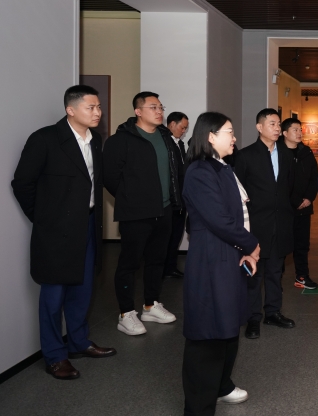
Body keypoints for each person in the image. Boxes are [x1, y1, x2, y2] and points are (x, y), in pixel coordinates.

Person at [11, 85, 116, 380]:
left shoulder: (95, 141)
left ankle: (79, 342)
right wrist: (44, 219)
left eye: (98, 107)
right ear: (70, 110)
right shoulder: (45, 139)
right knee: (53, 295)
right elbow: (22, 183)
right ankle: (55, 356)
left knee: (83, 288)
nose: (98, 112)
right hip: (56, 230)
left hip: (88, 224)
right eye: (90, 107)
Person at [181, 112, 260, 415]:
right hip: (212, 260)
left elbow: (237, 215)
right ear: (211, 136)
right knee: (208, 333)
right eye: (229, 132)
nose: (235, 138)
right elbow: (219, 219)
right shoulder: (200, 172)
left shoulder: (222, 167)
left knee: (227, 326)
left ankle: (221, 386)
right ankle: (199, 406)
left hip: (229, 255)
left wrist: (246, 249)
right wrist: (251, 244)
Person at [103, 91, 181, 335]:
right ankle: (126, 313)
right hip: (135, 213)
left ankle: (150, 305)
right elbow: (110, 177)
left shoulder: (166, 137)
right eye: (153, 107)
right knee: (129, 263)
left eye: (161, 107)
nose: (159, 111)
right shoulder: (120, 140)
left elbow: (174, 171)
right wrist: (131, 198)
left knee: (157, 260)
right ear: (138, 111)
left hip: (164, 209)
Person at [234, 108, 295, 339]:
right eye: (272, 124)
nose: (277, 128)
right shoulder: (246, 155)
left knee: (275, 271)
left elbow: (289, 186)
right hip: (257, 224)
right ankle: (253, 318)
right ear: (259, 127)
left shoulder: (287, 154)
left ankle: (273, 312)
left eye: (279, 124)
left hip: (281, 222)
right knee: (254, 274)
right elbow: (238, 192)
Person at [280, 117, 318, 289]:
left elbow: (314, 178)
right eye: (295, 130)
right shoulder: (277, 153)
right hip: (284, 209)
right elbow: (279, 183)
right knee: (281, 244)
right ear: (284, 133)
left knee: (302, 245)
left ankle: (302, 276)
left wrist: (309, 198)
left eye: (300, 130)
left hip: (304, 208)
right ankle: (276, 279)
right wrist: (295, 201)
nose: (299, 133)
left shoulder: (306, 152)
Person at [163, 111, 189, 279]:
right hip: (171, 199)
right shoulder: (165, 143)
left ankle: (170, 267)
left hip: (181, 197)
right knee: (168, 235)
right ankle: (164, 268)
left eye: (186, 128)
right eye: (182, 127)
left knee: (177, 234)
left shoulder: (180, 144)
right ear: (172, 124)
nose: (184, 131)